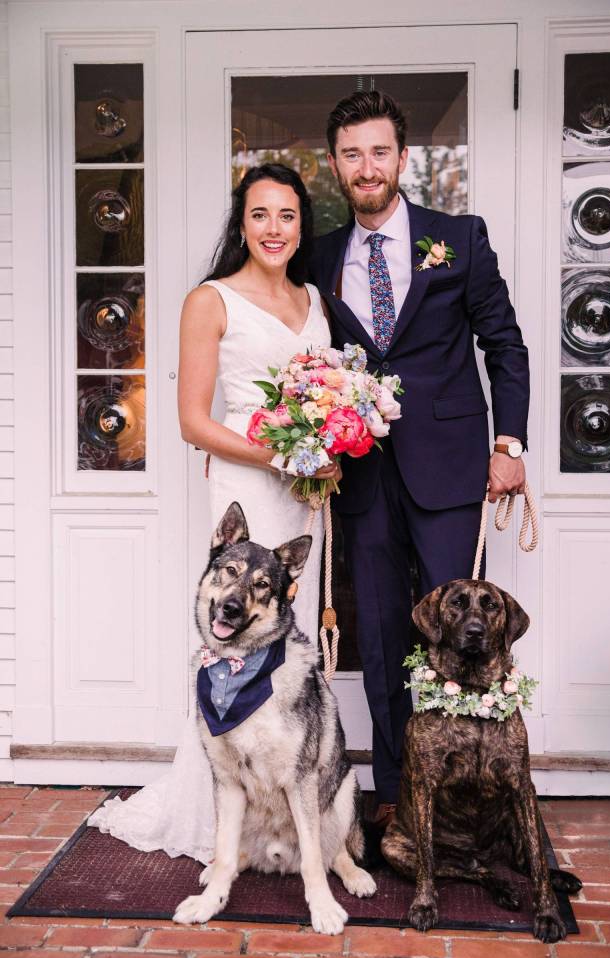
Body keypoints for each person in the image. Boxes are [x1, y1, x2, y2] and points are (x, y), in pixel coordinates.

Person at [89, 164, 336, 861]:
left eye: (286, 215)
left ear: (300, 224)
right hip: (249, 487)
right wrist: (281, 459)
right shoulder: (211, 300)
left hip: (306, 497)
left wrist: (331, 449)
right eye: (260, 215)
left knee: (288, 646)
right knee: (234, 638)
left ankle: (282, 813)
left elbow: (327, 395)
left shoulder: (315, 299)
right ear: (242, 222)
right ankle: (216, 809)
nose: (274, 229)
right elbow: (193, 422)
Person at [310, 91, 530, 824]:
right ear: (335, 164)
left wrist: (509, 444)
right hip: (363, 477)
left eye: (379, 152)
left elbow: (505, 345)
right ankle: (400, 798)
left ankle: (474, 796)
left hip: (452, 471)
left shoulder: (459, 238)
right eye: (351, 154)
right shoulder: (318, 257)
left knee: (465, 635)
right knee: (378, 639)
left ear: (403, 159)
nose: (366, 167)